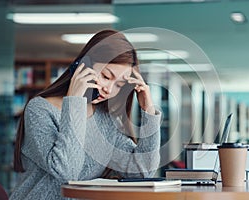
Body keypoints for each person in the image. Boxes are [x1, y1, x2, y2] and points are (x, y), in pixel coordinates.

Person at [10, 29, 161, 200]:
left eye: (119, 85)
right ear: (83, 66)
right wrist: (75, 101)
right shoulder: (40, 110)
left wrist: (149, 112)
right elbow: (67, 172)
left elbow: (142, 173)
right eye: (106, 76)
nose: (109, 89)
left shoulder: (106, 119)